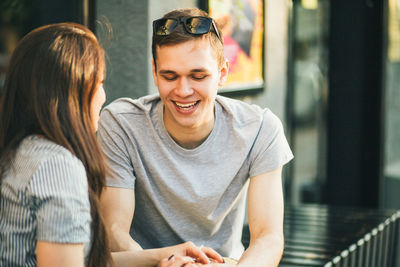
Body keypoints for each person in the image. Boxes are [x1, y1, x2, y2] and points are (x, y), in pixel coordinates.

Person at [0, 22, 215, 267]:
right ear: (73, 92)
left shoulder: (22, 151)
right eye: (100, 83)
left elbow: (81, 260)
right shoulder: (57, 167)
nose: (104, 95)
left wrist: (163, 255)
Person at [98, 7, 293, 267]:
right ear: (155, 72)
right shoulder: (121, 124)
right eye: (169, 76)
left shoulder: (260, 128)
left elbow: (268, 238)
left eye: (198, 76)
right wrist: (162, 262)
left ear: (223, 73)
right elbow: (114, 231)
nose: (183, 90)